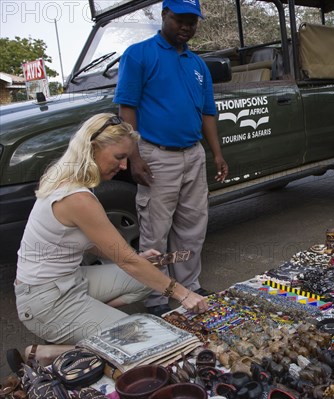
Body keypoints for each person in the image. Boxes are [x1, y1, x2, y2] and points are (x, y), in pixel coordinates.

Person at [9, 113, 209, 370]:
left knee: (149, 275)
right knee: (145, 342)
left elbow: (77, 239)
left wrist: (136, 261)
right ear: (92, 148)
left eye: (126, 157)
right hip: (45, 301)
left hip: (67, 282)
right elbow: (127, 261)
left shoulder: (65, 178)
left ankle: (89, 323)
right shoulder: (77, 197)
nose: (124, 166)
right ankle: (55, 350)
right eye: (119, 157)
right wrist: (183, 294)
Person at [114, 0, 228, 316]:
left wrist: (216, 153)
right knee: (155, 230)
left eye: (193, 22)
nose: (187, 27)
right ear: (165, 15)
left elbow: (207, 112)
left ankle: (189, 285)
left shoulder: (197, 63)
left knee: (192, 226)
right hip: (155, 154)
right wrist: (134, 157)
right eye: (181, 20)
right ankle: (156, 298)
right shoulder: (139, 54)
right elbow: (127, 108)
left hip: (193, 153)